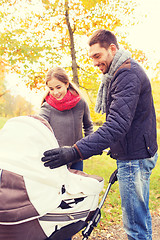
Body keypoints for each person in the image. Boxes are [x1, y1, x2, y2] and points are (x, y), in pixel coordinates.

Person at [41, 30, 158, 240]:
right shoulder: (120, 72)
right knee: (139, 217)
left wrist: (75, 151)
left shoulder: (127, 75)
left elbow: (117, 125)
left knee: (135, 225)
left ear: (112, 49)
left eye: (97, 56)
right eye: (92, 57)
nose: (95, 62)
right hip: (135, 153)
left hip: (135, 158)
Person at [39, 66, 94, 172]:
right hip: (56, 160)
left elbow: (88, 125)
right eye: (51, 89)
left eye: (58, 87)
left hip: (76, 158)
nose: (55, 92)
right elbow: (38, 128)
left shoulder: (80, 103)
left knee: (76, 188)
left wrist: (89, 147)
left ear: (67, 84)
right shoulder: (47, 107)